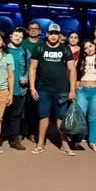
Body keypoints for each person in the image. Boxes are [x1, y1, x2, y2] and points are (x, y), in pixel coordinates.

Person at [29, 23, 76, 155]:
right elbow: (32, 68)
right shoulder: (40, 48)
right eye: (51, 34)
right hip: (43, 89)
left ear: (59, 35)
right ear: (47, 34)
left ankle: (64, 144)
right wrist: (32, 87)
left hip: (61, 90)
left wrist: (72, 90)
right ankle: (40, 144)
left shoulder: (65, 49)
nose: (54, 36)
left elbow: (72, 70)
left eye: (56, 34)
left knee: (61, 117)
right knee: (43, 116)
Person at [76, 40, 96, 151]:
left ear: (94, 46)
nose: (89, 49)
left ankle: (92, 141)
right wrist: (76, 87)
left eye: (90, 46)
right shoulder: (80, 60)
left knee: (93, 118)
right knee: (80, 116)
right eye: (86, 48)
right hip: (82, 91)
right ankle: (77, 140)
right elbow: (76, 76)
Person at [3, 27, 29, 150]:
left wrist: (26, 77)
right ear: (10, 36)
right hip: (3, 88)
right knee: (1, 114)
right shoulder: (3, 50)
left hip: (19, 89)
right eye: (16, 35)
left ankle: (15, 140)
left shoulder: (24, 52)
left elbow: (30, 68)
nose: (18, 37)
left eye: (20, 36)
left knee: (16, 115)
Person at [22, 21, 43, 142]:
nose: (33, 30)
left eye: (36, 29)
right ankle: (21, 132)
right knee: (21, 108)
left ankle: (31, 132)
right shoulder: (23, 43)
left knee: (34, 109)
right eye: (31, 28)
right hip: (23, 79)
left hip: (38, 80)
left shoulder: (43, 44)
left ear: (40, 31)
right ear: (28, 30)